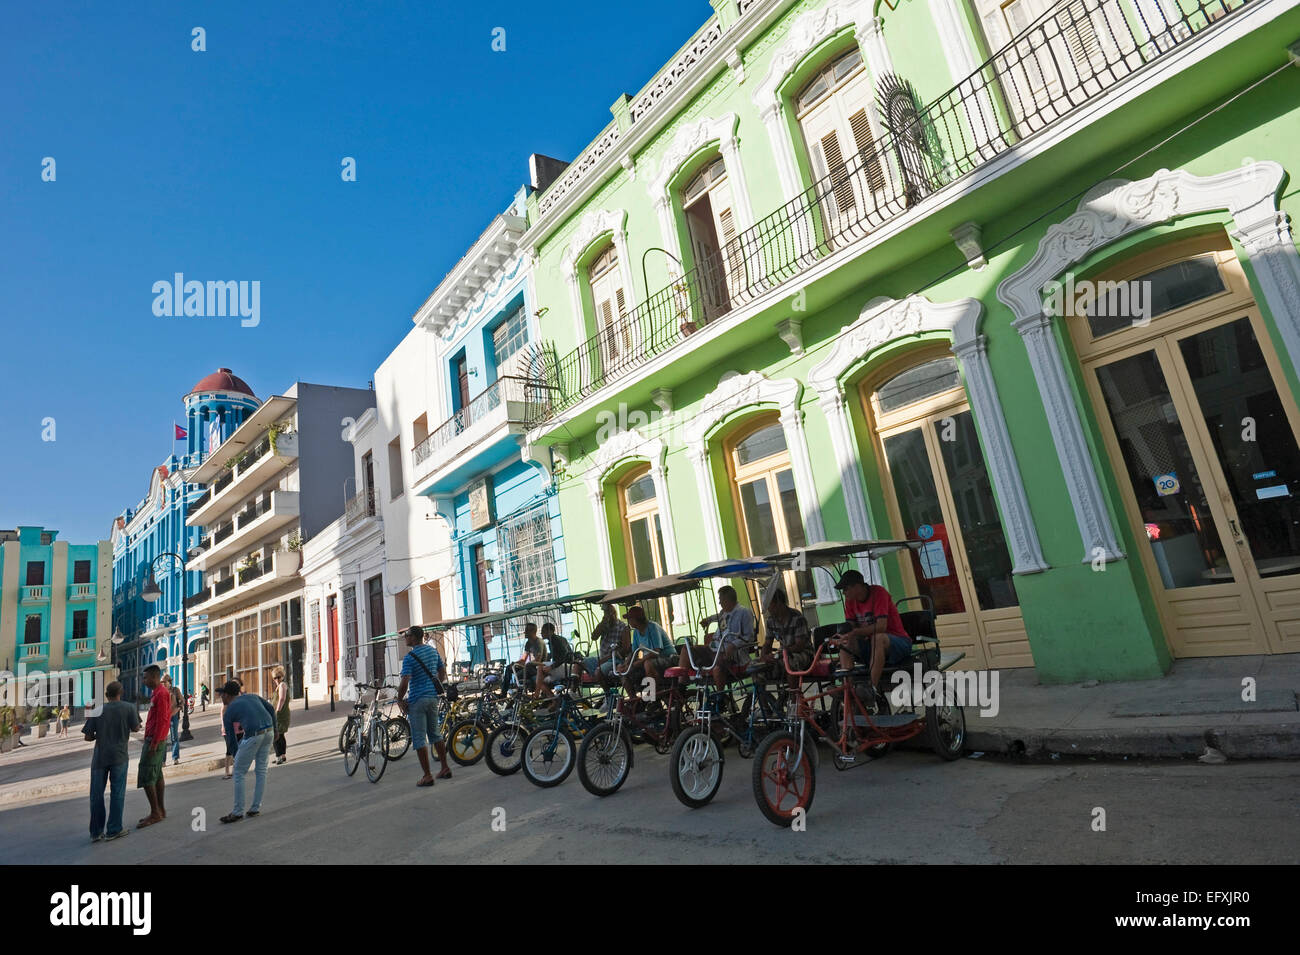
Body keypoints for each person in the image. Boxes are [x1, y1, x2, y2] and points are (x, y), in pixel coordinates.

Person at [830, 569, 911, 699]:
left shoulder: (879, 593)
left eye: (846, 589)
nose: (844, 592)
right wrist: (844, 635)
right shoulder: (850, 601)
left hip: (897, 642)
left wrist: (855, 632)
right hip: (871, 646)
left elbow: (881, 627)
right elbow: (851, 627)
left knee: (877, 638)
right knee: (845, 643)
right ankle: (847, 689)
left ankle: (871, 688)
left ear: (857, 586)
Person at [82, 681, 140, 843]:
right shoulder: (129, 708)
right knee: (117, 793)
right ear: (121, 692)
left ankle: (96, 832)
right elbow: (136, 728)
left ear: (107, 695)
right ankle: (114, 829)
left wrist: (99, 735)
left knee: (96, 795)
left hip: (100, 757)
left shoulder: (98, 710)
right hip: (119, 756)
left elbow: (87, 737)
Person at [396, 625, 451, 787]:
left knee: (419, 738)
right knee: (435, 734)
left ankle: (427, 775)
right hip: (432, 698)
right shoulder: (433, 652)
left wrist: (400, 699)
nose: (405, 637)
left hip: (417, 700)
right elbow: (442, 673)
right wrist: (433, 685)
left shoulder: (410, 657)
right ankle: (445, 767)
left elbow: (405, 681)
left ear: (414, 637)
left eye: (406, 635)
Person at [216, 680, 275, 823]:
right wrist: (276, 729)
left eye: (222, 694)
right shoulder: (253, 697)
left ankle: (237, 812)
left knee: (238, 772)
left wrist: (236, 756)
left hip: (254, 734)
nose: (221, 698)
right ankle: (255, 808)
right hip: (269, 731)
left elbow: (231, 738)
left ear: (227, 695)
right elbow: (271, 709)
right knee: (261, 770)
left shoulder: (229, 710)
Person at [678, 585, 757, 689]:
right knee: (686, 649)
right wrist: (707, 620)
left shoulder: (744, 612)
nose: (719, 603)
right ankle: (682, 685)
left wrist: (733, 645)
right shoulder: (723, 612)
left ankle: (720, 699)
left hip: (730, 653)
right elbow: (716, 616)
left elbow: (749, 637)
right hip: (713, 648)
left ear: (728, 600)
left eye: (721, 600)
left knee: (718, 667)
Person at [135, 665, 170, 828]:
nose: (144, 680)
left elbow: (163, 719)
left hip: (155, 740)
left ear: (155, 677)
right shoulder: (156, 693)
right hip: (154, 738)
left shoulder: (161, 694)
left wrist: (155, 742)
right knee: (156, 774)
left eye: (146, 677)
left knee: (147, 773)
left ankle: (155, 812)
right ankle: (160, 809)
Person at [760, 589, 813, 688]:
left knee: (789, 663)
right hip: (783, 654)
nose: (767, 608)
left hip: (804, 654)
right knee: (756, 667)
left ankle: (794, 699)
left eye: (769, 604)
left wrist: (780, 654)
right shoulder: (770, 621)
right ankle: (763, 700)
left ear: (779, 602)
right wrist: (764, 657)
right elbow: (767, 643)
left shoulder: (797, 618)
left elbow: (800, 646)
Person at [622, 605, 673, 693]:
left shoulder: (653, 627)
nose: (628, 621)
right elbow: (634, 652)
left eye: (630, 619)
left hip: (668, 658)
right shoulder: (636, 632)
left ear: (636, 619)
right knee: (624, 673)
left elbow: (656, 652)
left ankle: (654, 695)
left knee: (647, 663)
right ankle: (634, 701)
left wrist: (638, 662)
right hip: (650, 660)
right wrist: (626, 664)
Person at [583, 603, 628, 687]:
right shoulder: (603, 625)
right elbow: (594, 637)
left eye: (608, 613)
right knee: (580, 663)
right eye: (605, 613)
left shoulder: (623, 627)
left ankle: (607, 694)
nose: (606, 615)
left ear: (614, 613)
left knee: (598, 672)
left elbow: (625, 649)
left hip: (614, 660)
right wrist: (602, 624)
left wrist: (610, 656)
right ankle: (573, 692)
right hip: (601, 657)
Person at [270, 666, 290, 764]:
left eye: (278, 677)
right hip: (279, 713)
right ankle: (282, 756)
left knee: (275, 735)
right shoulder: (280, 686)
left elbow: (282, 699)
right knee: (280, 735)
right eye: (274, 678)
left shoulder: (282, 685)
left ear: (282, 676)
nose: (276, 680)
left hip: (280, 714)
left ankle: (279, 756)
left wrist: (277, 711)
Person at [163, 675, 184, 765]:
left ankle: (175, 758)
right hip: (164, 717)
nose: (163, 684)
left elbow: (182, 701)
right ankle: (163, 761)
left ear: (169, 682)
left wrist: (178, 709)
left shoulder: (175, 690)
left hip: (173, 716)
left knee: (174, 737)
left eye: (165, 682)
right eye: (162, 682)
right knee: (163, 739)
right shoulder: (161, 692)